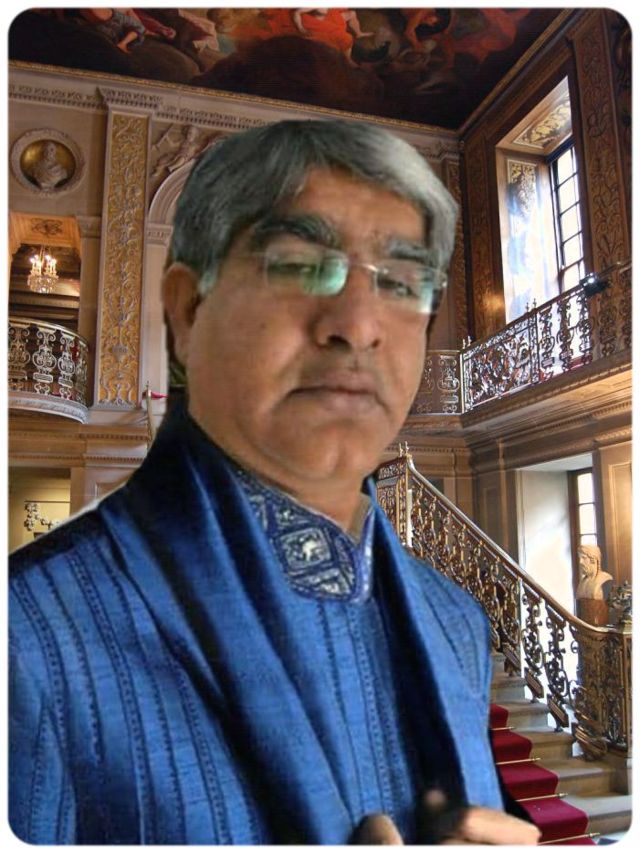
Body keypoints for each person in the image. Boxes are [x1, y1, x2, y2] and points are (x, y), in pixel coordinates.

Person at [9, 119, 540, 845]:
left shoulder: (457, 622)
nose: (359, 324)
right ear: (188, 310)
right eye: (299, 265)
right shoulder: (29, 633)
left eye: (401, 282)